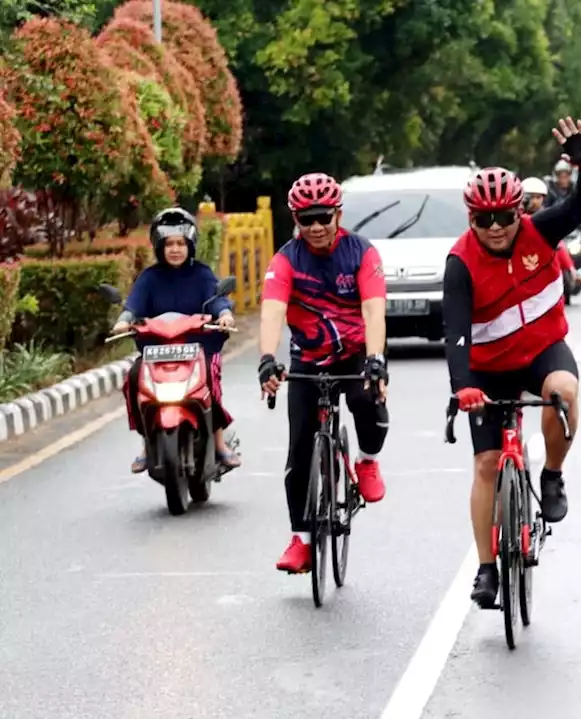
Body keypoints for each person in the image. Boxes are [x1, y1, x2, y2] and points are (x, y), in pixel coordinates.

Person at [444, 117, 581, 608]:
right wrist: (462, 386)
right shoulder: (460, 261)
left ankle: (552, 474)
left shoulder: (541, 229)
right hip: (488, 366)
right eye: (482, 220)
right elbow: (456, 332)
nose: (494, 228)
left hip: (540, 352)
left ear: (517, 212)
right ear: (470, 219)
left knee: (564, 392)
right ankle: (487, 568)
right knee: (487, 463)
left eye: (503, 218)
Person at [258, 172, 390, 574]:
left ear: (338, 214)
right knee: (299, 447)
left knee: (368, 398)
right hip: (309, 358)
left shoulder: (361, 253)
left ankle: (366, 460)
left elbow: (373, 310)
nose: (315, 227)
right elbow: (273, 312)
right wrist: (266, 358)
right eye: (305, 219)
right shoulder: (285, 260)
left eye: (323, 217)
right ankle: (300, 539)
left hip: (355, 353)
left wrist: (375, 359)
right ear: (295, 221)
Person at [114, 208, 239, 474]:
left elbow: (217, 299)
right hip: (157, 353)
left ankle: (219, 443)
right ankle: (147, 443)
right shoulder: (149, 278)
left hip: (198, 350)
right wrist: (124, 319)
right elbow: (134, 304)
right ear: (159, 247)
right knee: (134, 377)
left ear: (190, 244)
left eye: (181, 243)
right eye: (169, 244)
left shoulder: (202, 274)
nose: (175, 249)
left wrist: (225, 314)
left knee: (210, 380)